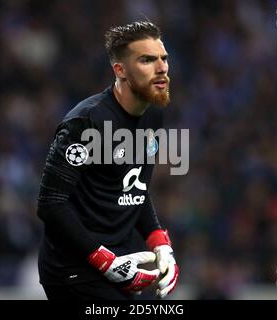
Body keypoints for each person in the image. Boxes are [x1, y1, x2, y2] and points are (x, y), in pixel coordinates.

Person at [37, 21, 179, 300]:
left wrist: (160, 243)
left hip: (121, 263)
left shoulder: (152, 115)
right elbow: (51, 204)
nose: (161, 68)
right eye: (147, 60)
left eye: (163, 58)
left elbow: (134, 191)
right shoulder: (87, 121)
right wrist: (103, 260)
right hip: (73, 271)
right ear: (120, 70)